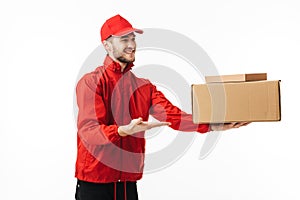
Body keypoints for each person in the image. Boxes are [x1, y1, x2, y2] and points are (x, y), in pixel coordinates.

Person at [74, 14, 249, 200]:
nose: (131, 44)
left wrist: (214, 125)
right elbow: (89, 132)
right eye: (124, 39)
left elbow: (173, 117)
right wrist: (123, 131)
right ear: (107, 45)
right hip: (94, 183)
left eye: (133, 38)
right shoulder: (91, 83)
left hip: (127, 183)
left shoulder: (144, 87)